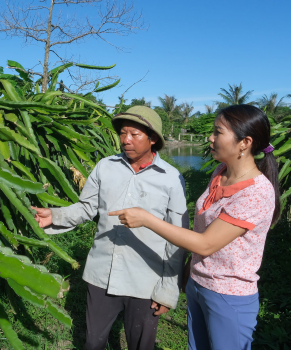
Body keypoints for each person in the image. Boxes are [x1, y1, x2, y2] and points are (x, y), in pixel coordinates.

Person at [109, 104, 281, 350]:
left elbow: (206, 243)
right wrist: (191, 266)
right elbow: (205, 232)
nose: (210, 138)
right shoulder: (221, 172)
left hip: (227, 295)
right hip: (199, 284)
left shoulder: (256, 192)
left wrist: (147, 219)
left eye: (218, 132)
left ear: (244, 142)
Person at [32, 106, 189, 350]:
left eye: (134, 134)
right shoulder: (105, 167)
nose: (126, 140)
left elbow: (177, 238)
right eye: (123, 133)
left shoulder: (171, 178)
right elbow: (86, 208)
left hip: (145, 278)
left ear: (153, 138)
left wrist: (168, 290)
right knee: (93, 342)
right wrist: (54, 215)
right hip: (101, 273)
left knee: (141, 343)